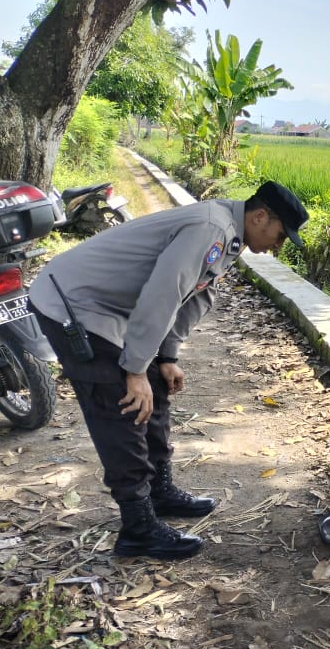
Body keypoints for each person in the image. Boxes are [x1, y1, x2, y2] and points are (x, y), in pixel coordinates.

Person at [29, 181, 309, 561]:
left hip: (109, 308)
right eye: (281, 235)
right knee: (122, 405)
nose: (279, 245)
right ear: (260, 216)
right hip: (74, 304)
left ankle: (159, 492)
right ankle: (138, 527)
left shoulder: (230, 235)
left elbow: (197, 294)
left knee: (156, 387)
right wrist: (134, 370)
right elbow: (164, 293)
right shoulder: (211, 227)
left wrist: (166, 356)